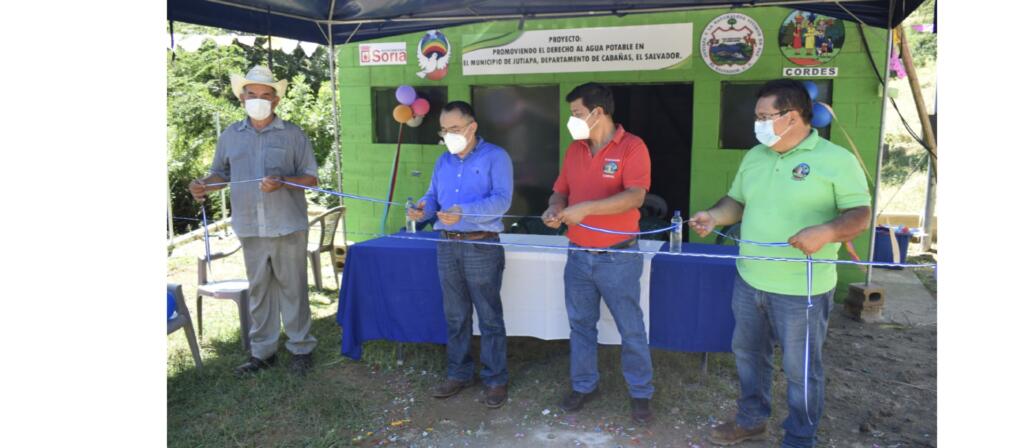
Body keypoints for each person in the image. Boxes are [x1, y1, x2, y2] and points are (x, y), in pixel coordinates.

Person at [690, 79, 871, 447]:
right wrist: (713, 215)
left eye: (763, 116)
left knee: (801, 370)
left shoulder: (836, 160)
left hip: (801, 289)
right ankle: (752, 419)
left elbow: (860, 214)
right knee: (749, 357)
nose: (756, 124)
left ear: (791, 117)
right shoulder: (756, 156)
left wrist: (826, 230)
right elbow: (737, 202)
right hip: (750, 280)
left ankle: (800, 436)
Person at [189, 66, 320, 376]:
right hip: (249, 226)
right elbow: (220, 174)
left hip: (288, 224)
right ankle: (263, 352)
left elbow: (311, 179)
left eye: (265, 95)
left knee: (294, 290)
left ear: (275, 101)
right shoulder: (230, 136)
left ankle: (301, 349)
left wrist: (284, 181)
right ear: (241, 98)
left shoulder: (293, 134)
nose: (258, 100)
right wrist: (203, 184)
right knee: (259, 291)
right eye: (252, 95)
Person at [542, 82, 655, 424]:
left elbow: (636, 196)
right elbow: (559, 192)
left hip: (618, 257)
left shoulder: (633, 147)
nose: (572, 120)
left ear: (598, 112)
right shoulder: (575, 149)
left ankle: (640, 393)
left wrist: (587, 208)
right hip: (578, 254)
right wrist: (553, 209)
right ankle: (584, 385)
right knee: (580, 324)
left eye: (576, 113)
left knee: (630, 327)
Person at [407, 101, 514, 408]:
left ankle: (496, 379)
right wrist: (421, 210)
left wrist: (463, 211)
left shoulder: (496, 157)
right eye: (444, 129)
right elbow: (431, 197)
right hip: (447, 244)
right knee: (455, 316)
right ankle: (459, 373)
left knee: (490, 317)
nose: (448, 135)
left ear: (472, 127)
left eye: (454, 129)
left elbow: (502, 201)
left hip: (482, 244)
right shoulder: (443, 162)